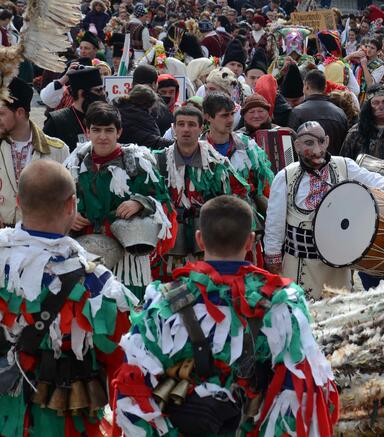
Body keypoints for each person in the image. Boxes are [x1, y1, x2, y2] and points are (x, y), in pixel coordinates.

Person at [113, 195, 339, 436]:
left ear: (199, 239)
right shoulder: (282, 302)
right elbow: (303, 391)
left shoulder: (161, 301)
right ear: (250, 241)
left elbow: (132, 386)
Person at [0, 160, 137, 437]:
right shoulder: (100, 285)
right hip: (64, 424)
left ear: (18, 200)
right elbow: (124, 363)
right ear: (72, 204)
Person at [264, 122, 384, 297]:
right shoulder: (285, 177)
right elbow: (275, 223)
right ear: (297, 146)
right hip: (299, 264)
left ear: (327, 141)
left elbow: (371, 179)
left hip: (337, 265)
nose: (317, 149)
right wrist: (273, 258)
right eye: (308, 143)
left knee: (338, 312)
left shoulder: (344, 166)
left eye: (320, 142)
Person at [65, 102, 175, 299]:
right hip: (85, 254)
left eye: (109, 130)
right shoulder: (74, 162)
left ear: (119, 132)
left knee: (128, 314)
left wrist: (140, 202)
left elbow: (164, 202)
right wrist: (69, 218)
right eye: (96, 130)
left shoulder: (138, 161)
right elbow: (59, 202)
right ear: (87, 132)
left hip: (129, 259)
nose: (102, 136)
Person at [152, 106, 248, 280]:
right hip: (169, 246)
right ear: (174, 128)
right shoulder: (158, 161)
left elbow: (234, 198)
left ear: (201, 128)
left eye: (191, 124)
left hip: (208, 244)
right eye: (181, 124)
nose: (186, 129)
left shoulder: (217, 164)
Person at [202, 92, 273, 264]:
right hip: (212, 230)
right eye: (224, 115)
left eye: (232, 114)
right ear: (208, 117)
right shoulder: (199, 150)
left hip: (246, 229)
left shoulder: (248, 147)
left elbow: (264, 188)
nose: (229, 120)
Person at [0, 78, 70, 228]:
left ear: (19, 112)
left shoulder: (57, 150)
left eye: (1, 114)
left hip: (41, 239)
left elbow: (68, 197)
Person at [43, 67, 107, 151]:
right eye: (98, 90)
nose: (103, 94)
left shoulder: (106, 117)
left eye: (103, 89)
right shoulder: (57, 122)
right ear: (81, 93)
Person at [288, 69, 348, 155]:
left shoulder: (297, 112)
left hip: (307, 166)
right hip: (334, 165)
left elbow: (294, 147)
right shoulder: (340, 113)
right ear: (325, 87)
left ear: (306, 86)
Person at [115, 84, 174, 150]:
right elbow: (152, 140)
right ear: (148, 106)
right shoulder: (141, 120)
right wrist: (179, 144)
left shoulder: (117, 112)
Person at [347, 38, 384, 103]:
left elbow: (370, 84)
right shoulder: (360, 57)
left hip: (365, 97)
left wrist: (364, 66)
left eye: (372, 48)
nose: (369, 49)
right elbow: (344, 68)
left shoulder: (380, 66)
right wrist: (350, 56)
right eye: (368, 46)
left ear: (378, 51)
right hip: (351, 92)